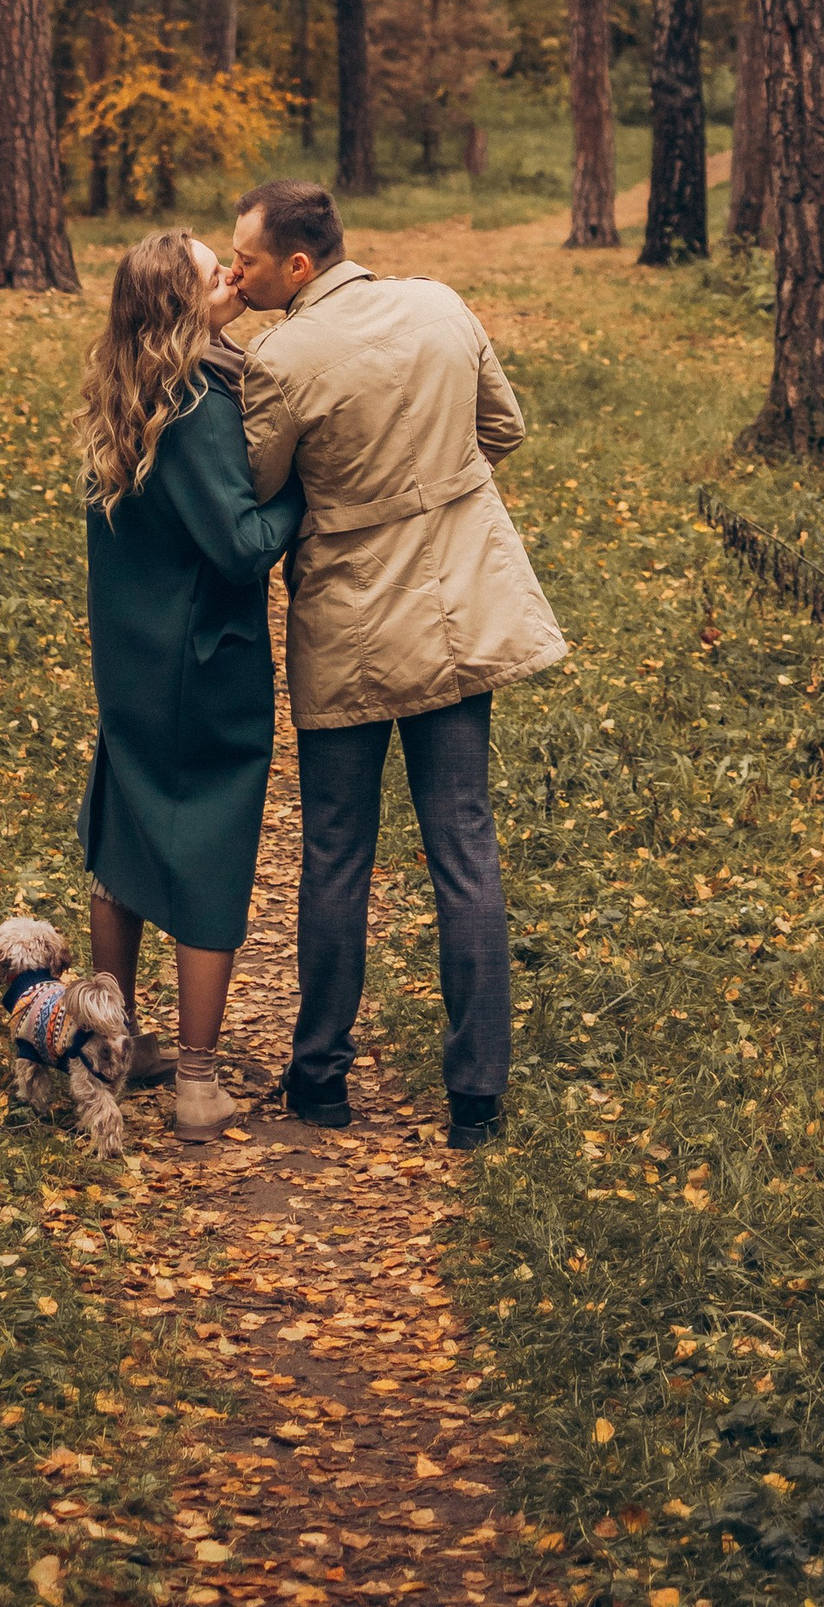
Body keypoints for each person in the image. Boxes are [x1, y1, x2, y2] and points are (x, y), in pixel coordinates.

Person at [231, 177, 564, 1151]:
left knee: (336, 846)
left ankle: (320, 1078)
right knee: (462, 837)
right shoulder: (439, 304)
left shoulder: (279, 356)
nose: (235, 269)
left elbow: (259, 485)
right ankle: (476, 1098)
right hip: (460, 603)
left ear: (296, 262)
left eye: (245, 255)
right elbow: (501, 427)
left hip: (349, 621)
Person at [76, 227, 305, 1141]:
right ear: (185, 306)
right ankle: (199, 1082)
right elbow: (241, 546)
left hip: (131, 659)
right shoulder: (197, 401)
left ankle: (112, 1048)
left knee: (126, 839)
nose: (236, 277)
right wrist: (307, 491)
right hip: (202, 665)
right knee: (210, 847)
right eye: (219, 274)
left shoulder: (122, 391)